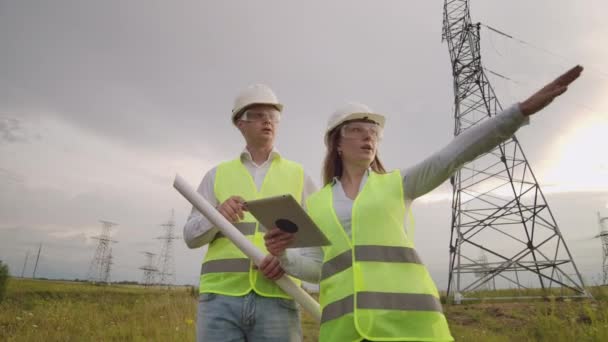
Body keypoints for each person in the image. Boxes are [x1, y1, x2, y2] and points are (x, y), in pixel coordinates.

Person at [265, 66, 584, 341]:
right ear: (336, 142)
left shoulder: (398, 184)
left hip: (409, 326)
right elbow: (319, 269)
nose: (369, 138)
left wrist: (519, 112)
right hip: (344, 332)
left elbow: (454, 154)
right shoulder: (317, 203)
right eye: (357, 131)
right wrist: (284, 255)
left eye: (374, 132)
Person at [183, 84, 316, 342]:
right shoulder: (216, 175)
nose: (267, 121)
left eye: (273, 116)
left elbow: (317, 241)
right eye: (258, 115)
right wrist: (216, 216)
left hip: (279, 295)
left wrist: (289, 261)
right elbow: (190, 236)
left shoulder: (300, 175)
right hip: (220, 299)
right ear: (239, 123)